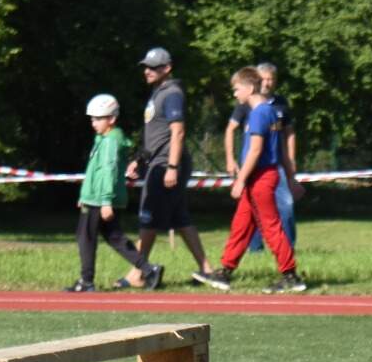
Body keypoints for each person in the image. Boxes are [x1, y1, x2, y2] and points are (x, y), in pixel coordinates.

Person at [128, 47, 223, 288]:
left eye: (153, 67)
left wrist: (172, 167)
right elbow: (156, 136)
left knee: (148, 216)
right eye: (146, 67)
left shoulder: (172, 94)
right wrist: (138, 160)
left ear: (167, 68)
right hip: (157, 161)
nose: (147, 71)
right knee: (180, 218)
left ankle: (137, 273)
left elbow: (177, 132)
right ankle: (206, 269)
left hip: (166, 164)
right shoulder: (157, 93)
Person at [211, 68, 309, 294]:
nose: (235, 93)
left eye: (237, 89)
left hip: (260, 177)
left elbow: (255, 151)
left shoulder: (257, 114)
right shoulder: (271, 111)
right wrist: (290, 179)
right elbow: (281, 149)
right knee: (242, 225)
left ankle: (290, 274)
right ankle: (225, 271)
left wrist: (240, 180)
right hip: (260, 176)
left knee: (271, 226)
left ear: (249, 88)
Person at [70, 94, 159, 293]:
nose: (94, 123)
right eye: (92, 119)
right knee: (115, 237)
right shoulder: (104, 139)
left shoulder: (110, 141)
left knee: (85, 237)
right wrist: (84, 195)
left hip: (100, 199)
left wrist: (105, 201)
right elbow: (94, 171)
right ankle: (149, 269)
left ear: (111, 119)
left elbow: (108, 171)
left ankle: (86, 281)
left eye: (98, 118)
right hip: (96, 197)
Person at [224, 61, 301, 253]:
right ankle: (251, 252)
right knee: (250, 212)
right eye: (263, 79)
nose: (266, 83)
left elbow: (284, 137)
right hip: (253, 166)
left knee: (284, 206)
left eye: (270, 79)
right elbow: (231, 130)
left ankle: (288, 251)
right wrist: (231, 159)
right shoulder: (246, 105)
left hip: (273, 166)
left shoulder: (277, 106)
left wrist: (290, 165)